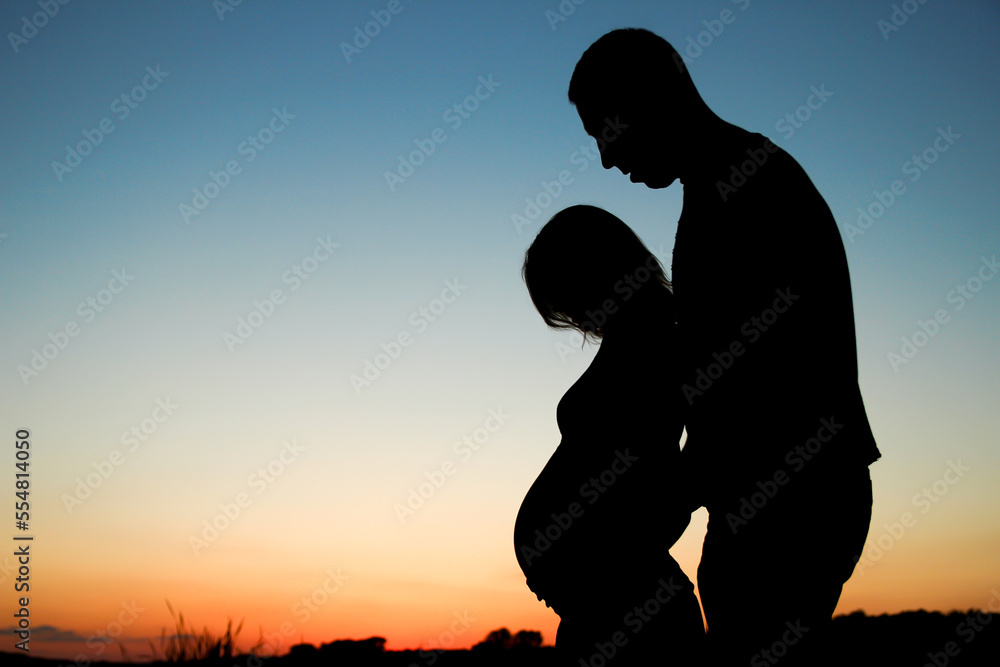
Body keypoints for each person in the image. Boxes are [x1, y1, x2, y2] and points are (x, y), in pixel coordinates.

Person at [567, 28, 881, 665]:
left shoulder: (748, 186)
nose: (604, 158)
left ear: (646, 100)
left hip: (793, 499)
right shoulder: (719, 187)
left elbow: (756, 375)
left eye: (603, 128)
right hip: (774, 493)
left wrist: (662, 502)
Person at [514, 204, 705, 666]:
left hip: (630, 604)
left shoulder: (665, 341)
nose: (574, 315)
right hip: (598, 603)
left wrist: (622, 553)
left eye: (566, 294)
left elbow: (694, 466)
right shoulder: (632, 339)